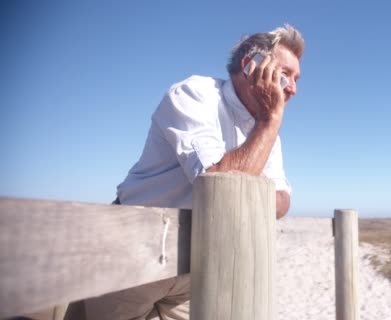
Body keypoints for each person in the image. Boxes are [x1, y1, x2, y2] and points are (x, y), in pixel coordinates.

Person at [83, 24, 304, 320]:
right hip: (134, 255)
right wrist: (267, 127)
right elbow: (215, 184)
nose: (293, 88)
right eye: (285, 74)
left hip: (197, 265)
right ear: (250, 65)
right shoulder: (197, 94)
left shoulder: (267, 130)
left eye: (296, 78)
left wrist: (255, 157)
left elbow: (283, 202)